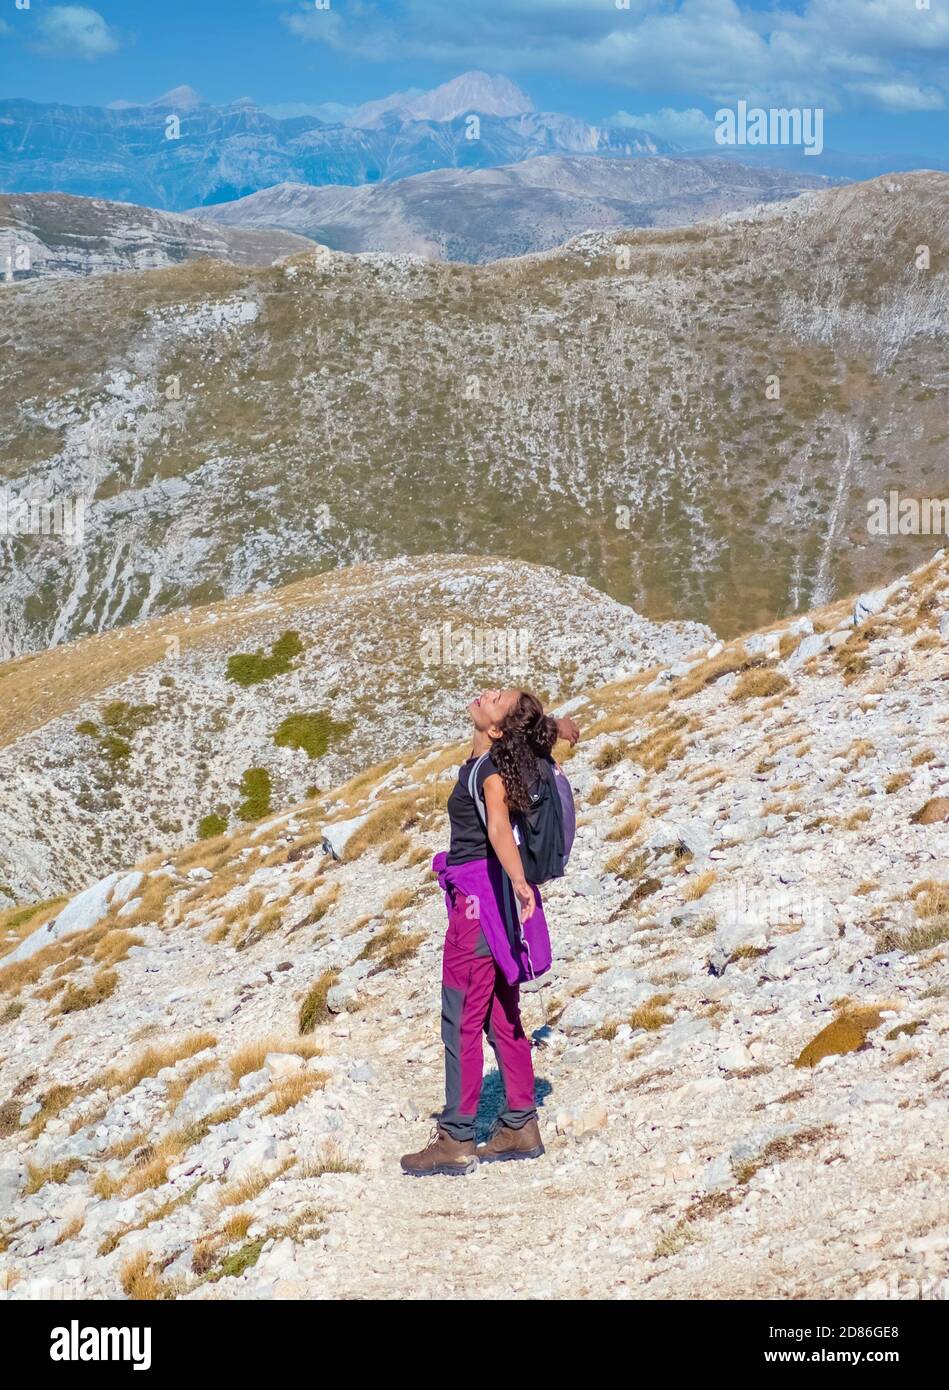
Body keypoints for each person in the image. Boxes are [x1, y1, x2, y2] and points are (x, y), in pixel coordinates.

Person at [400, 690, 579, 1177]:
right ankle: (520, 1124)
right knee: (503, 1011)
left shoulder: (489, 773)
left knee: (460, 1018)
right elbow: (530, 737)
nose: (486, 695)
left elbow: (498, 827)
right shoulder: (495, 758)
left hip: (478, 906)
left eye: (497, 701)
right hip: (497, 903)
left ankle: (456, 1138)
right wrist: (556, 725)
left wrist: (521, 883)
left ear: (497, 730)